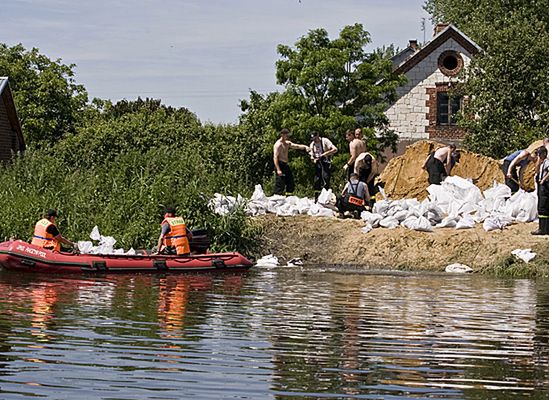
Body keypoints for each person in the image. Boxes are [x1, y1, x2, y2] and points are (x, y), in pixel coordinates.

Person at [273, 128, 310, 195]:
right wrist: (278, 169)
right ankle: (277, 197)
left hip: (285, 164)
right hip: (280, 164)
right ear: (282, 135)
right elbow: (275, 157)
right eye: (286, 135)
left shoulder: (287, 143)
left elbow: (297, 146)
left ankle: (288, 196)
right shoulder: (278, 145)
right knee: (280, 183)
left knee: (290, 182)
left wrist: (305, 147)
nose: (287, 136)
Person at [309, 131, 338, 201]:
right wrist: (313, 159)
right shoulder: (312, 144)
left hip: (325, 162)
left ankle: (326, 197)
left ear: (318, 135)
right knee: (317, 180)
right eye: (313, 139)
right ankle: (317, 198)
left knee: (326, 178)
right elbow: (311, 155)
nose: (314, 141)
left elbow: (335, 149)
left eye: (315, 138)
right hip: (317, 163)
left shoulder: (325, 141)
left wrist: (325, 154)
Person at [533, 146, 549, 235]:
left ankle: (543, 229)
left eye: (539, 154)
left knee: (543, 207)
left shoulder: (547, 162)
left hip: (545, 186)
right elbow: (536, 170)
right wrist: (538, 161)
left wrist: (543, 180)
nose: (538, 156)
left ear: (544, 154)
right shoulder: (542, 163)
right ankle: (542, 228)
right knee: (541, 207)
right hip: (541, 186)